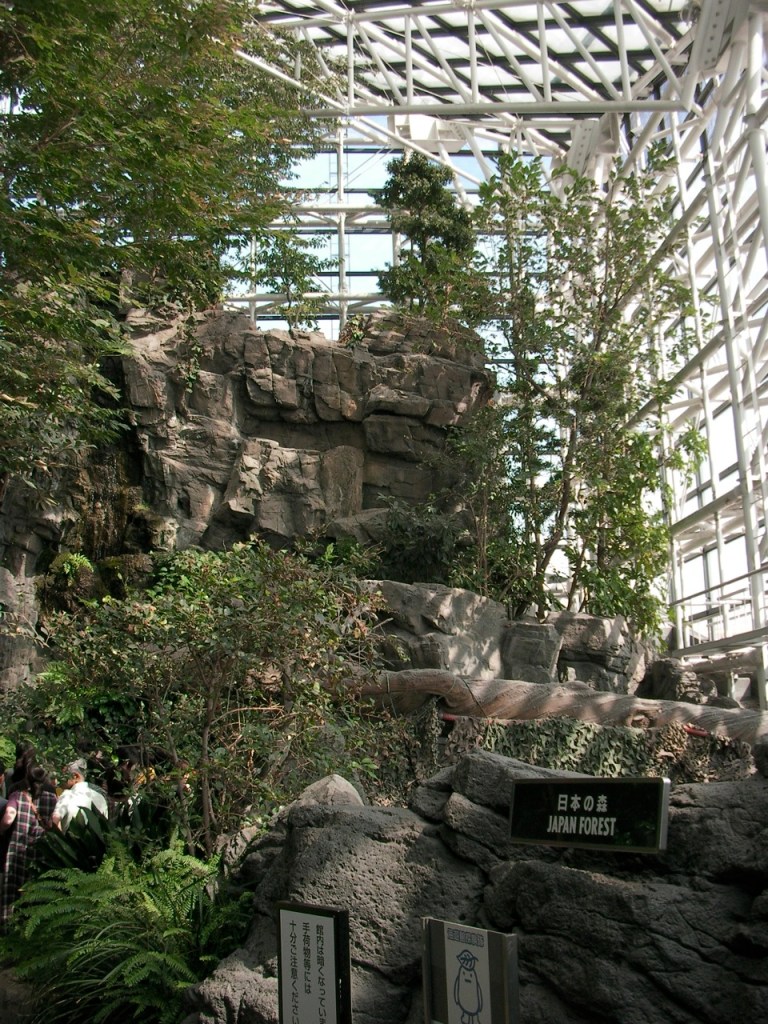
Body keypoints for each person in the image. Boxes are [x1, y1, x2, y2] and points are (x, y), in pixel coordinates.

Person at [0, 765, 56, 928]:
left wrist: (2, 831)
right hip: (39, 852)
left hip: (17, 848)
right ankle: (30, 926)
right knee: (34, 889)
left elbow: (8, 819)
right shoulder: (52, 798)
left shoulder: (18, 795)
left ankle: (6, 926)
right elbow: (54, 823)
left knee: (11, 889)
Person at [51, 759, 109, 832]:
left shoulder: (67, 795)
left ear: (75, 776)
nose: (60, 781)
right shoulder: (100, 797)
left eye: (64, 775)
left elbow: (54, 821)